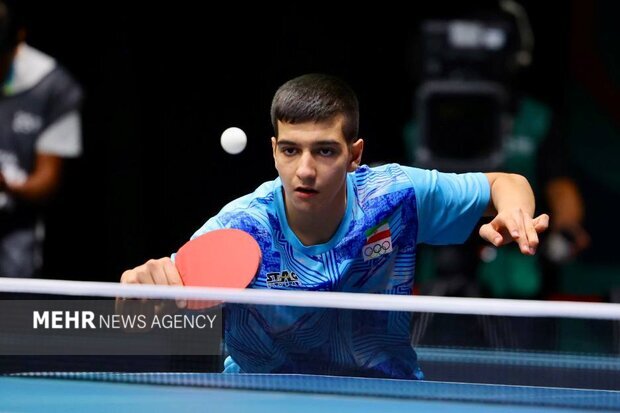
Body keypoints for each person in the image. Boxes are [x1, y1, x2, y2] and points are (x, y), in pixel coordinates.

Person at [121, 73, 548, 379]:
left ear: (354, 154)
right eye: (291, 150)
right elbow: (145, 314)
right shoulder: (239, 228)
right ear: (274, 151)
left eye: (324, 151)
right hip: (259, 396)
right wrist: (138, 297)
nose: (305, 170)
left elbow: (507, 183)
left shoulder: (393, 196)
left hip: (383, 393)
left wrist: (514, 213)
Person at [0, 0, 83, 278]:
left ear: (18, 41)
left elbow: (48, 181)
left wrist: (6, 185)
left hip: (15, 233)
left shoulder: (54, 87)